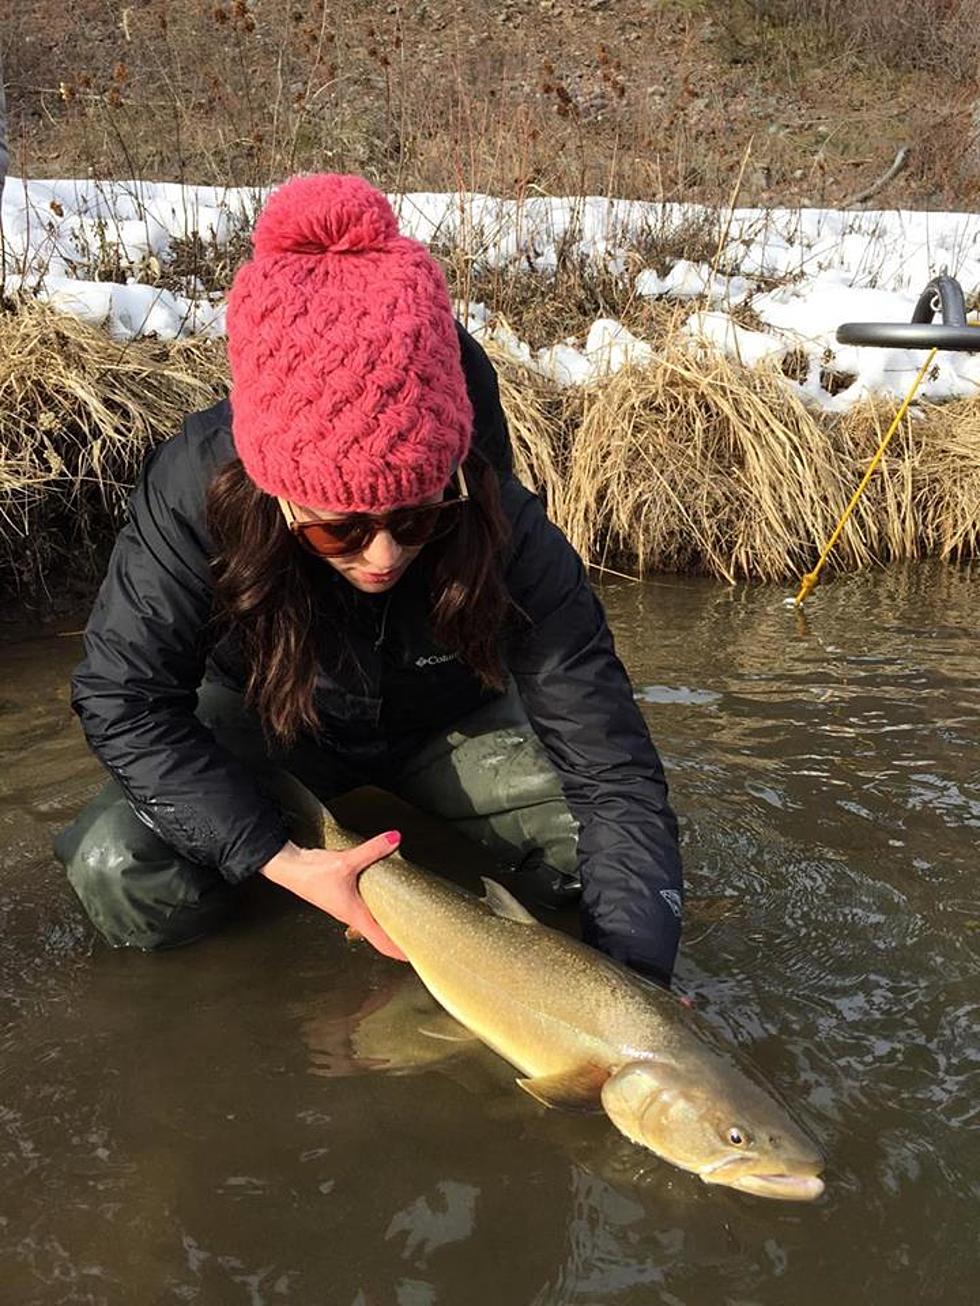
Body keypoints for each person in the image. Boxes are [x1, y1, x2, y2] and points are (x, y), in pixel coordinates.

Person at [54, 173, 683, 985]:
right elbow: (123, 698)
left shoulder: (497, 512)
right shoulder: (193, 490)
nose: (383, 556)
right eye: (337, 528)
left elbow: (614, 774)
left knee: (601, 859)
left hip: (446, 717)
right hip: (265, 716)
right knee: (119, 870)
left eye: (417, 520)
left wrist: (636, 988)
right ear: (273, 491)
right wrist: (277, 860)